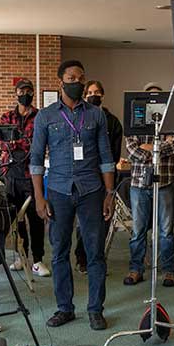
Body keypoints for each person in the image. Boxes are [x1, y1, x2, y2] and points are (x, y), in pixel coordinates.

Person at [30, 60, 115, 330]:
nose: (76, 82)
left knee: (95, 253)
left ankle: (95, 309)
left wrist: (110, 194)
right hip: (57, 190)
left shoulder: (96, 116)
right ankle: (64, 308)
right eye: (71, 77)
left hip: (92, 190)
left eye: (81, 77)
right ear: (61, 82)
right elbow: (35, 160)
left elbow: (106, 158)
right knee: (59, 252)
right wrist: (39, 198)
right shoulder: (45, 116)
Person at [122, 83, 174, 287]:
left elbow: (172, 146)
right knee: (138, 231)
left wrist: (147, 148)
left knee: (166, 231)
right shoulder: (133, 122)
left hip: (164, 183)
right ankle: (136, 269)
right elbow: (132, 151)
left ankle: (169, 271)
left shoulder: (171, 121)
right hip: (138, 184)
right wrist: (155, 149)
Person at [0, 78, 51, 277]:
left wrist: (18, 141)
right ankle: (22, 257)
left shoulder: (40, 117)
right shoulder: (7, 117)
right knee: (16, 219)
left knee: (36, 218)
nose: (25, 94)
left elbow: (39, 144)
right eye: (22, 91)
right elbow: (5, 145)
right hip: (11, 174)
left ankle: (37, 260)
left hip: (32, 175)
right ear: (16, 93)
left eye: (29, 90)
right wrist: (23, 142)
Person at [74, 79, 123, 273]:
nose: (94, 95)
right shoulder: (79, 118)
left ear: (102, 95)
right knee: (83, 222)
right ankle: (82, 258)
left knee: (103, 220)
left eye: (97, 92)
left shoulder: (112, 122)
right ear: (85, 95)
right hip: (85, 177)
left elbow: (115, 153)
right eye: (90, 92)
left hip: (105, 178)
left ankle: (97, 258)